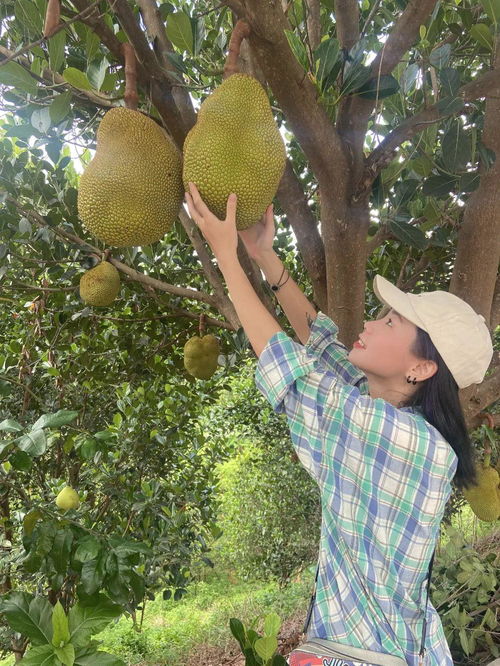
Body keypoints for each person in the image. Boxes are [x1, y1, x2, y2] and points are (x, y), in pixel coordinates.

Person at [184, 183, 494, 666]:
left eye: (391, 323)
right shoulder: (396, 418)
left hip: (363, 654)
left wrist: (225, 255)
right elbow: (323, 344)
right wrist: (264, 257)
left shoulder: (402, 439)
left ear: (422, 368)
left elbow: (293, 369)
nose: (370, 325)